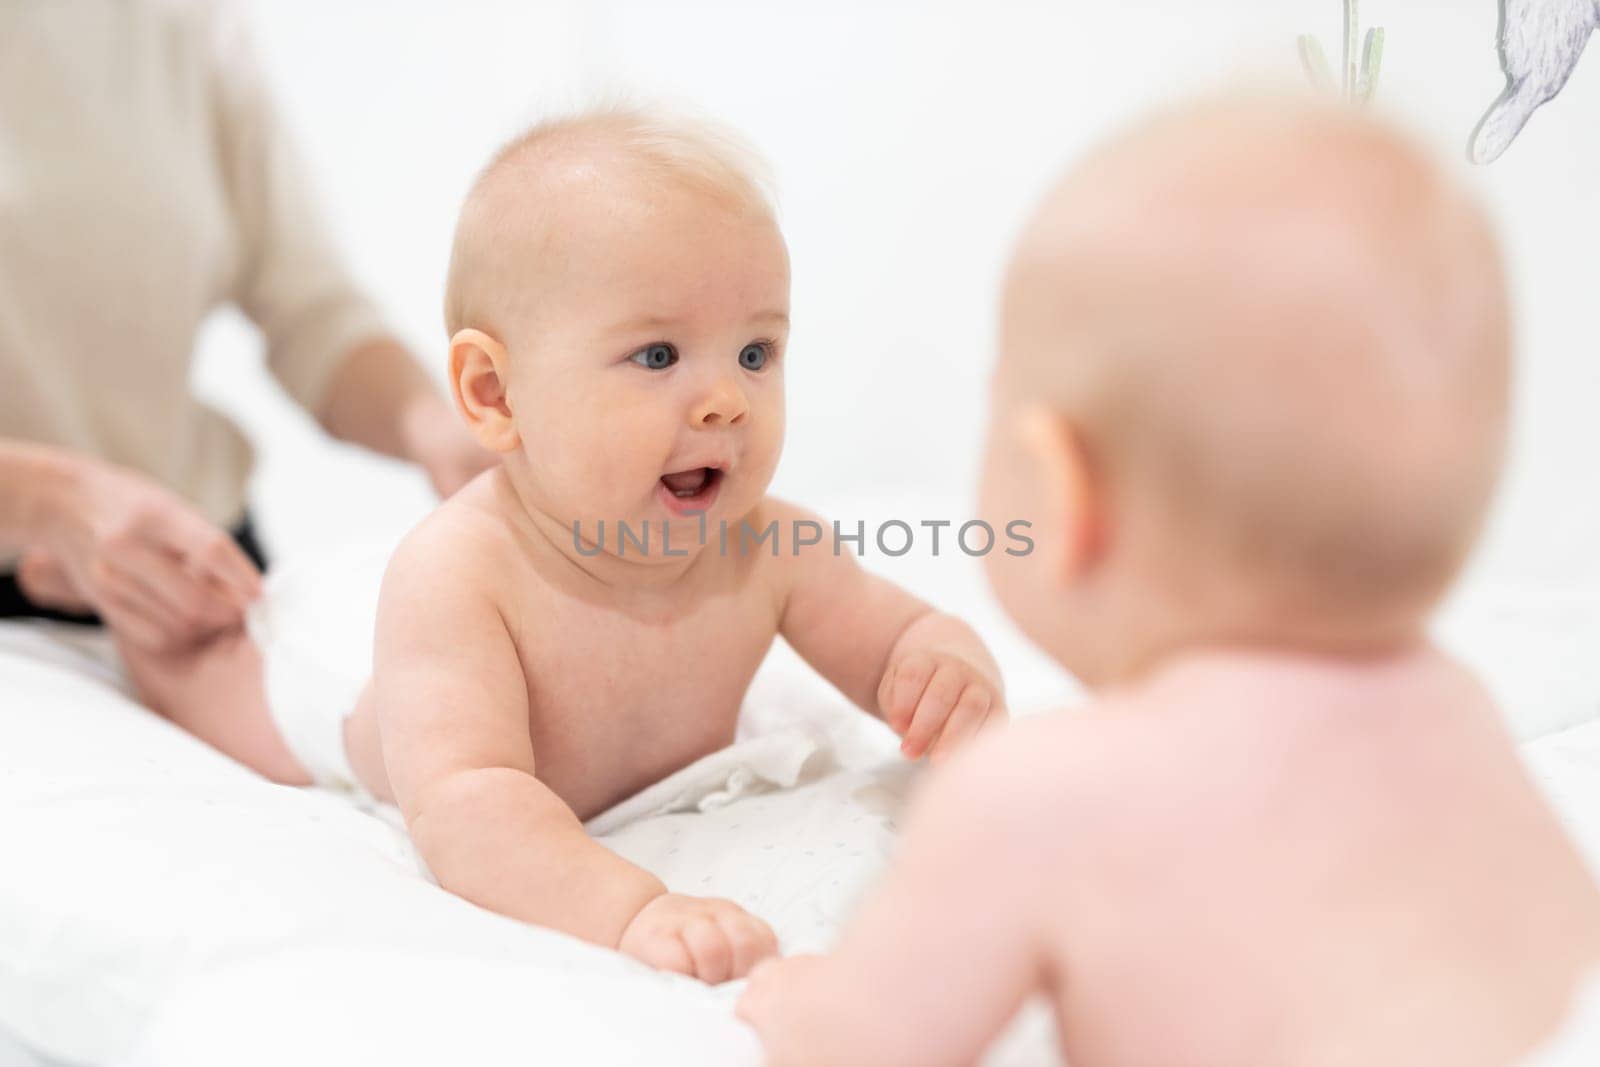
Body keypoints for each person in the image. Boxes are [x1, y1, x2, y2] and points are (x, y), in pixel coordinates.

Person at [736, 96, 1600, 1065]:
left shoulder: (1031, 793)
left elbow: (862, 1047)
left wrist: (809, 1004)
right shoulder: (1460, 715)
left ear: (1064, 499)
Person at [106, 107, 1011, 985]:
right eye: (658, 355)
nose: (726, 399)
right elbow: (467, 807)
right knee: (239, 687)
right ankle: (163, 643)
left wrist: (946, 672)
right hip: (365, 709)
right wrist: (631, 909)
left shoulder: (770, 545)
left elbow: (902, 635)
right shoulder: (459, 578)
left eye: (755, 352)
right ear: (496, 393)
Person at [0, 0, 488, 657]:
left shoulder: (183, 22)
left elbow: (314, 310)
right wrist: (46, 501)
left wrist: (436, 424)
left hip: (200, 571)